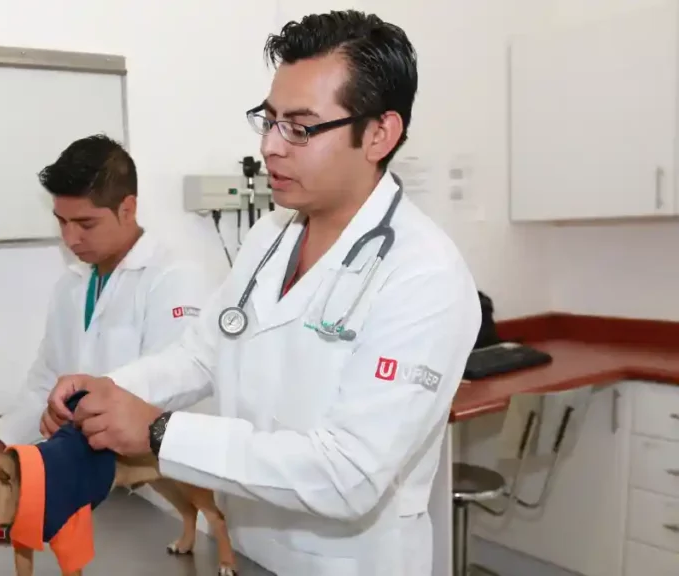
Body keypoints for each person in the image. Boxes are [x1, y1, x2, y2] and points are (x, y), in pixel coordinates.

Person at [42, 11, 482, 576]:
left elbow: (347, 473)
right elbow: (204, 350)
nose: (271, 146)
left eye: (300, 127)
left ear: (379, 134)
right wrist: (113, 389)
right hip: (249, 549)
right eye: (269, 120)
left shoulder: (426, 276)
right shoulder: (272, 234)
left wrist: (156, 430)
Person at [0, 133, 211, 453]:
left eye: (85, 224)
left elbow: (178, 378)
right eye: (62, 222)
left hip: (161, 475)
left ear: (127, 209)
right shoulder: (71, 287)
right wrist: (0, 437)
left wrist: (90, 400)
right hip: (96, 471)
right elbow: (45, 385)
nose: (70, 238)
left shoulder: (174, 276)